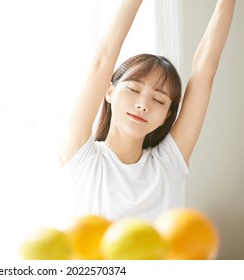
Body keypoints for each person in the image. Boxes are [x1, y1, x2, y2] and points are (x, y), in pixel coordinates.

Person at [59, 0, 236, 221]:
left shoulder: (168, 164)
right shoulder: (82, 158)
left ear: (166, 116)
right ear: (109, 92)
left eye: (159, 100)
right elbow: (102, 60)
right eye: (133, 89)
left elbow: (204, 71)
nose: (143, 105)